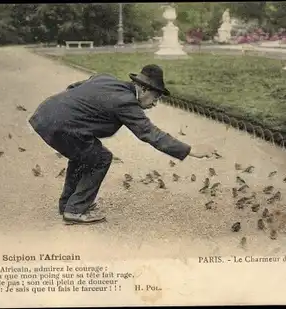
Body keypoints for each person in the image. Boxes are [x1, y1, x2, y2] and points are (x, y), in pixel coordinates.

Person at [29, 64, 216, 225]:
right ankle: (75, 210)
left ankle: (69, 204)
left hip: (45, 114)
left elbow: (75, 87)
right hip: (60, 126)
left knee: (85, 154)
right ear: (143, 90)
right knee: (101, 158)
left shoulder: (106, 79)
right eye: (155, 97)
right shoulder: (126, 102)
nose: (155, 104)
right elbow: (150, 134)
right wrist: (191, 150)